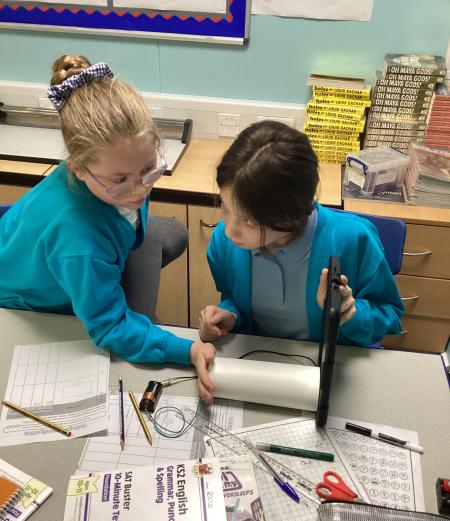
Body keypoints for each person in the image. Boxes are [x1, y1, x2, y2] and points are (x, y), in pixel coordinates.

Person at [0, 54, 215, 402]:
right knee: (136, 332)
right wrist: (187, 349)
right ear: (77, 168)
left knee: (168, 234)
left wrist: (125, 185)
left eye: (149, 169)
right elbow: (111, 327)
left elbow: (129, 190)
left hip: (69, 253)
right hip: (32, 301)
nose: (140, 190)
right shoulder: (79, 243)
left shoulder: (115, 168)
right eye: (120, 180)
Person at [199, 120, 404, 347]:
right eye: (225, 206)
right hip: (259, 358)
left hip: (332, 360)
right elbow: (233, 298)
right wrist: (230, 316)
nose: (229, 230)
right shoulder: (223, 243)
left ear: (291, 215)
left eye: (249, 220)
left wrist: (351, 315)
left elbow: (390, 314)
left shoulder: (354, 239)